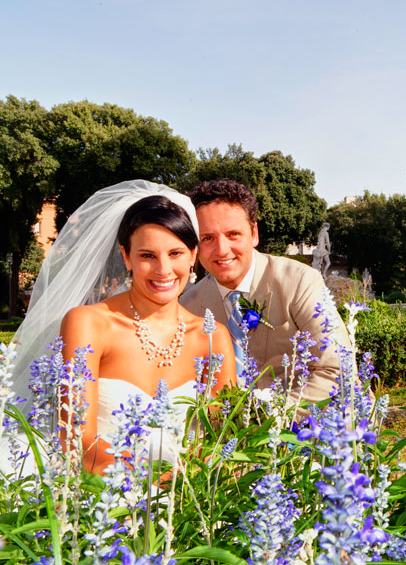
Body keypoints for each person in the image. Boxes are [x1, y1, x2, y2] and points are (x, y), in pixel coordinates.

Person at [3, 181, 237, 475]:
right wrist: (153, 484)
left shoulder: (213, 337)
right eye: (147, 256)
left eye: (175, 253)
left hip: (187, 496)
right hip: (101, 491)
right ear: (127, 257)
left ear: (193, 255)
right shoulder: (89, 324)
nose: (163, 270)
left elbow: (222, 437)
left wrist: (185, 492)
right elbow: (77, 439)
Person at [180, 179, 349, 404]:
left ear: (254, 234)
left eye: (233, 235)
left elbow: (337, 370)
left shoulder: (300, 282)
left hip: (308, 428)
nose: (222, 250)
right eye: (207, 238)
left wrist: (265, 423)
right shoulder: (188, 306)